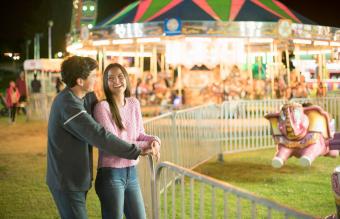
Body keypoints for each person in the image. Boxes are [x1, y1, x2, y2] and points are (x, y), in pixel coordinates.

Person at [46, 56, 155, 219]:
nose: (97, 79)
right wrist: (137, 150)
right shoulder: (67, 105)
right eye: (93, 76)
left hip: (80, 176)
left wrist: (152, 141)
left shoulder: (86, 97)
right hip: (66, 180)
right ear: (80, 81)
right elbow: (100, 137)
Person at [93, 63, 161, 219]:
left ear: (126, 79)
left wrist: (154, 141)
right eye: (111, 78)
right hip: (111, 174)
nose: (117, 81)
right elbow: (114, 144)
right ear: (105, 82)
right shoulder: (102, 107)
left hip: (131, 173)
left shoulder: (133, 103)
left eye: (120, 76)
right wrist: (146, 147)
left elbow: (140, 134)